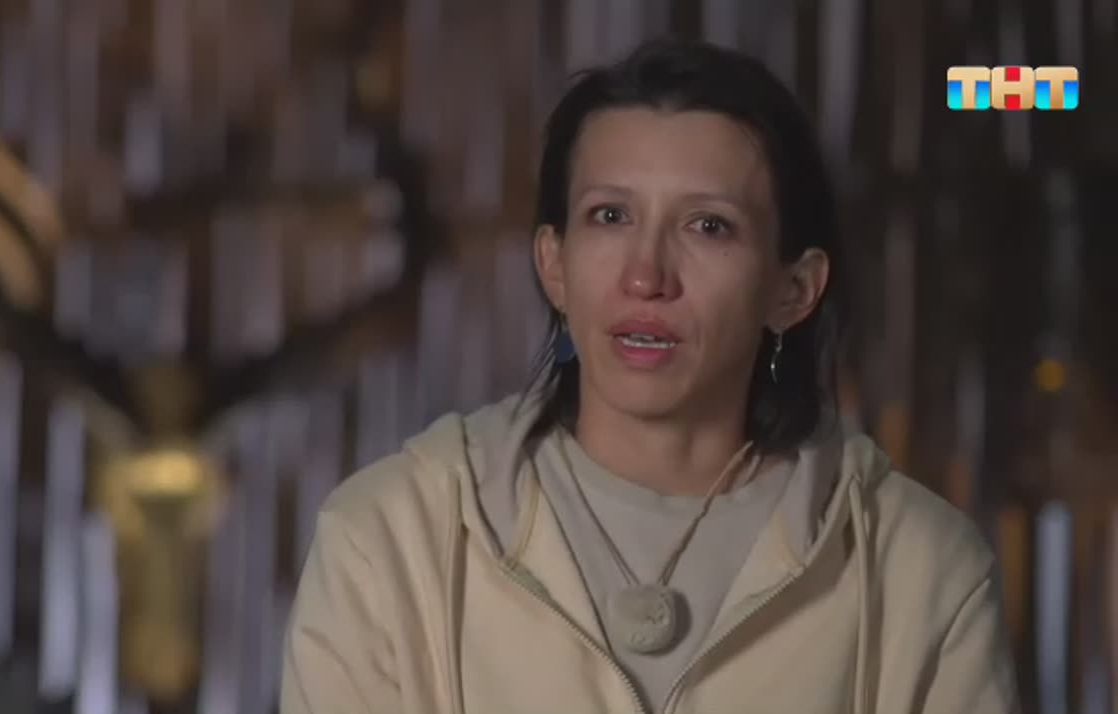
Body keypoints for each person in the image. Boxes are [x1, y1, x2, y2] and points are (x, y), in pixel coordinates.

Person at [280, 38, 1019, 714]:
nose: (646, 276)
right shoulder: (390, 542)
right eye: (609, 216)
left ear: (793, 290)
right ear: (554, 264)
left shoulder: (920, 572)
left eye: (708, 226)